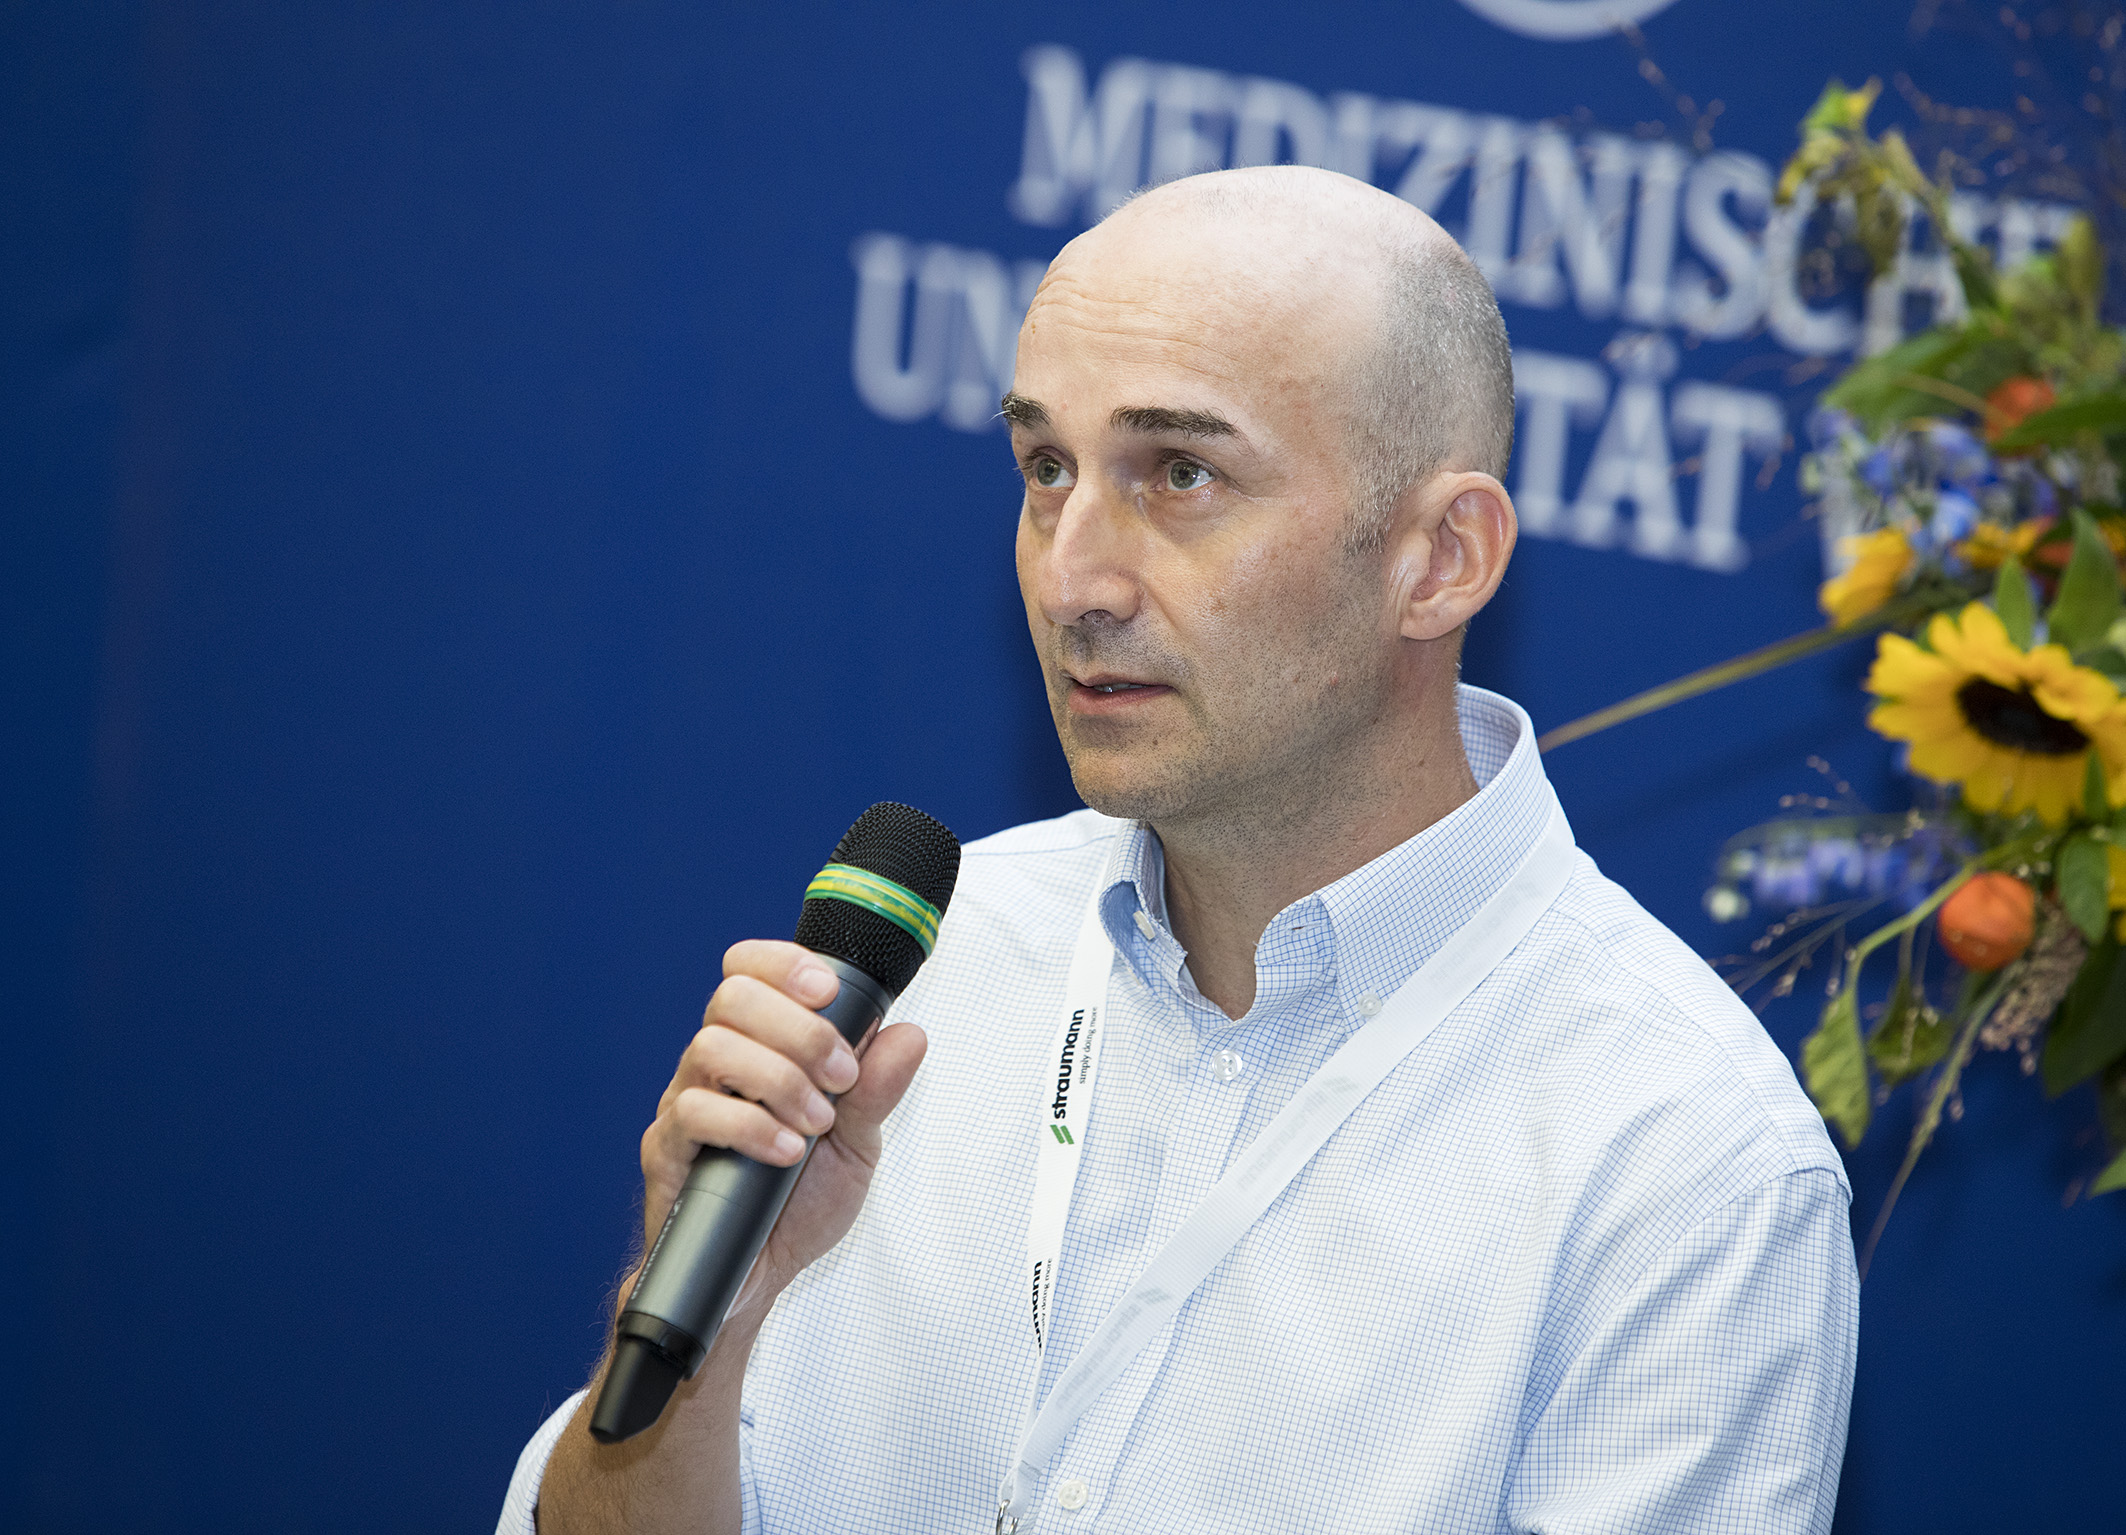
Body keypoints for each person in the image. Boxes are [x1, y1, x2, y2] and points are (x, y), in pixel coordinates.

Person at [504, 165, 1858, 1535]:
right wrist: (698, 1341)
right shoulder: (917, 973)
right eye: (1046, 469)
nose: (1069, 579)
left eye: (1181, 474)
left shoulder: (1678, 1165)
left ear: (1441, 558)